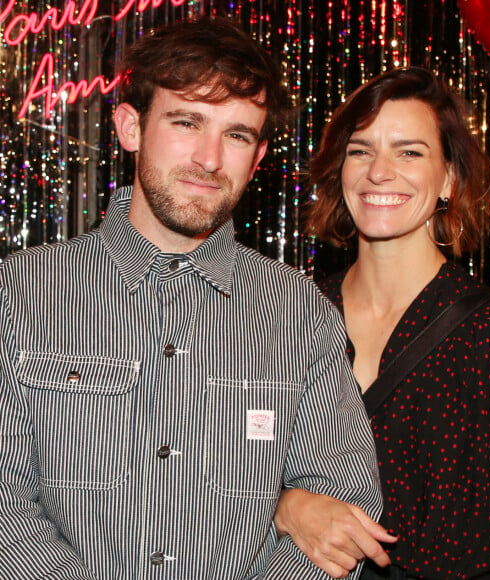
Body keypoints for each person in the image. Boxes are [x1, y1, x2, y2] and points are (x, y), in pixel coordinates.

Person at [0, 17, 386, 579]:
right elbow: (8, 510)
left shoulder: (299, 311)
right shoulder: (19, 293)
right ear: (131, 127)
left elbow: (340, 506)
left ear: (257, 159)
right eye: (187, 122)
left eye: (236, 135)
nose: (209, 159)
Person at [274, 67, 490, 579]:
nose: (378, 171)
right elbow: (216, 477)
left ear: (448, 179)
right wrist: (286, 506)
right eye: (360, 150)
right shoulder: (284, 314)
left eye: (409, 151)